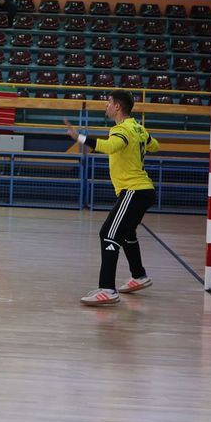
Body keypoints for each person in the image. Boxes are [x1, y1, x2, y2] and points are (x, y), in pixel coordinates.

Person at [66, 89, 158, 306]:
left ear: (117, 106)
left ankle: (107, 289)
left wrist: (79, 136)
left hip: (133, 190)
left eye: (108, 102)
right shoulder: (138, 127)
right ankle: (139, 276)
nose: (105, 106)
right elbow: (155, 145)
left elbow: (108, 147)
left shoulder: (122, 130)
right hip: (144, 190)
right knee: (126, 234)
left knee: (108, 233)